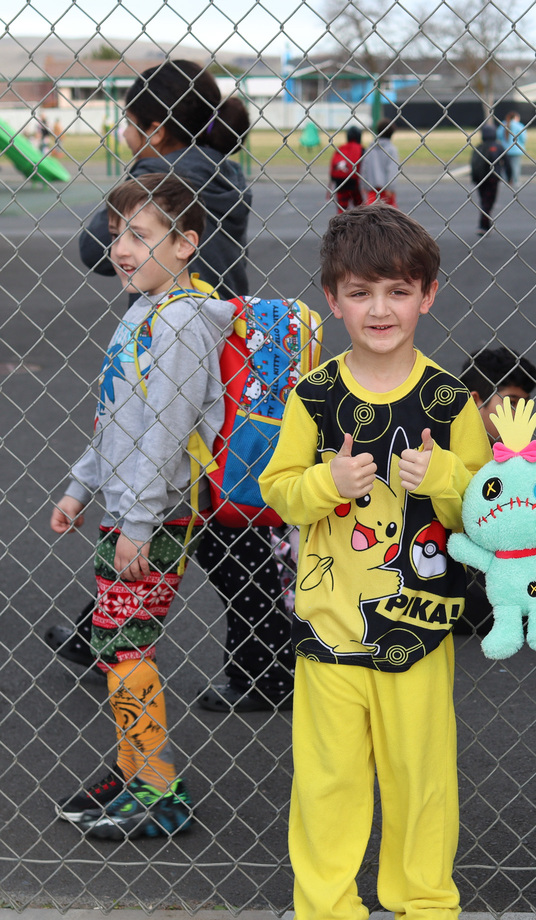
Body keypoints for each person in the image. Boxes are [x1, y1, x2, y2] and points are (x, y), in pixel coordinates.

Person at [259, 204, 492, 920]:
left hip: (418, 629)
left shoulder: (453, 402)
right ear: (333, 298)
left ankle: (428, 913)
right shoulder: (313, 398)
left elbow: (492, 510)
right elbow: (278, 489)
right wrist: (328, 481)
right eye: (361, 293)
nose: (380, 309)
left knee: (422, 780)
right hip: (329, 632)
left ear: (427, 294)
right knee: (327, 782)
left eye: (397, 291)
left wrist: (451, 479)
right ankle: (330, 917)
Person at [50, 59, 295, 714]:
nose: (125, 137)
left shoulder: (160, 180)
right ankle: (99, 628)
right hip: (221, 349)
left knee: (212, 521)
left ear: (154, 129)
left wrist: (132, 188)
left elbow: (91, 252)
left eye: (130, 126)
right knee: (210, 513)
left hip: (183, 349)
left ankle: (266, 664)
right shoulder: (222, 174)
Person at [50, 173, 235, 839]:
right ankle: (133, 765)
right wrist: (80, 486)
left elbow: (166, 433)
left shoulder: (183, 323)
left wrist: (137, 522)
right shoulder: (141, 312)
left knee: (127, 644)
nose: (122, 248)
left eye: (140, 234)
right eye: (116, 234)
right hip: (126, 507)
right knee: (114, 642)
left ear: (186, 244)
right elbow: (116, 420)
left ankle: (158, 788)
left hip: (159, 513)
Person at [454, 345, 536, 636]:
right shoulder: (441, 447)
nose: (520, 414)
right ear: (476, 400)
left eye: (526, 404)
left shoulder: (520, 456)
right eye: (513, 402)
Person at [459, 344, 536, 441]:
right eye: (511, 403)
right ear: (474, 402)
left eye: (525, 405)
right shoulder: (443, 450)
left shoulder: (525, 453)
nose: (521, 414)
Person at [470, 124, 508, 236]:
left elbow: (473, 164)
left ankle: (485, 224)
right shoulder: (498, 147)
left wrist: (474, 178)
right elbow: (507, 162)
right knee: (488, 202)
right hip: (493, 179)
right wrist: (509, 176)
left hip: (480, 179)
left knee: (484, 201)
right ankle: (484, 225)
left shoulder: (479, 147)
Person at [359, 119, 400, 206]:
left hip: (372, 188)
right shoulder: (391, 149)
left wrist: (363, 185)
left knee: (371, 214)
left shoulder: (370, 148)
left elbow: (364, 168)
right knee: (390, 216)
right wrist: (391, 187)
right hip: (386, 189)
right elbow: (392, 170)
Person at [330, 125, 365, 211]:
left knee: (342, 208)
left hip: (340, 181)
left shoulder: (341, 148)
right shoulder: (361, 149)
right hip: (354, 182)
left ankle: (340, 223)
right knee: (360, 208)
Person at [498, 110, 528, 187]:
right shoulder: (519, 125)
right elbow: (523, 138)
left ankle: (505, 180)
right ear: (516, 117)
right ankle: (515, 181)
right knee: (516, 166)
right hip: (517, 150)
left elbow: (499, 136)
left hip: (505, 149)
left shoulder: (503, 124)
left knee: (505, 166)